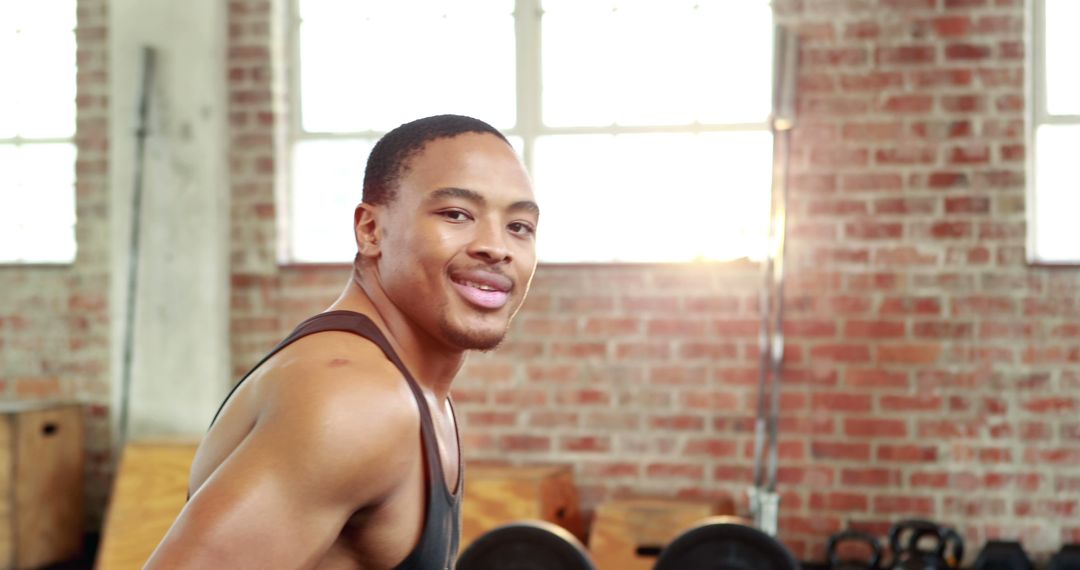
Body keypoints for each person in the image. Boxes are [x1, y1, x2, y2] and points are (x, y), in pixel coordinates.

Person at [146, 115, 540, 569]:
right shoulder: (354, 398)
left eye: (519, 227)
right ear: (370, 230)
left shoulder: (405, 384)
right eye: (456, 214)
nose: (497, 247)